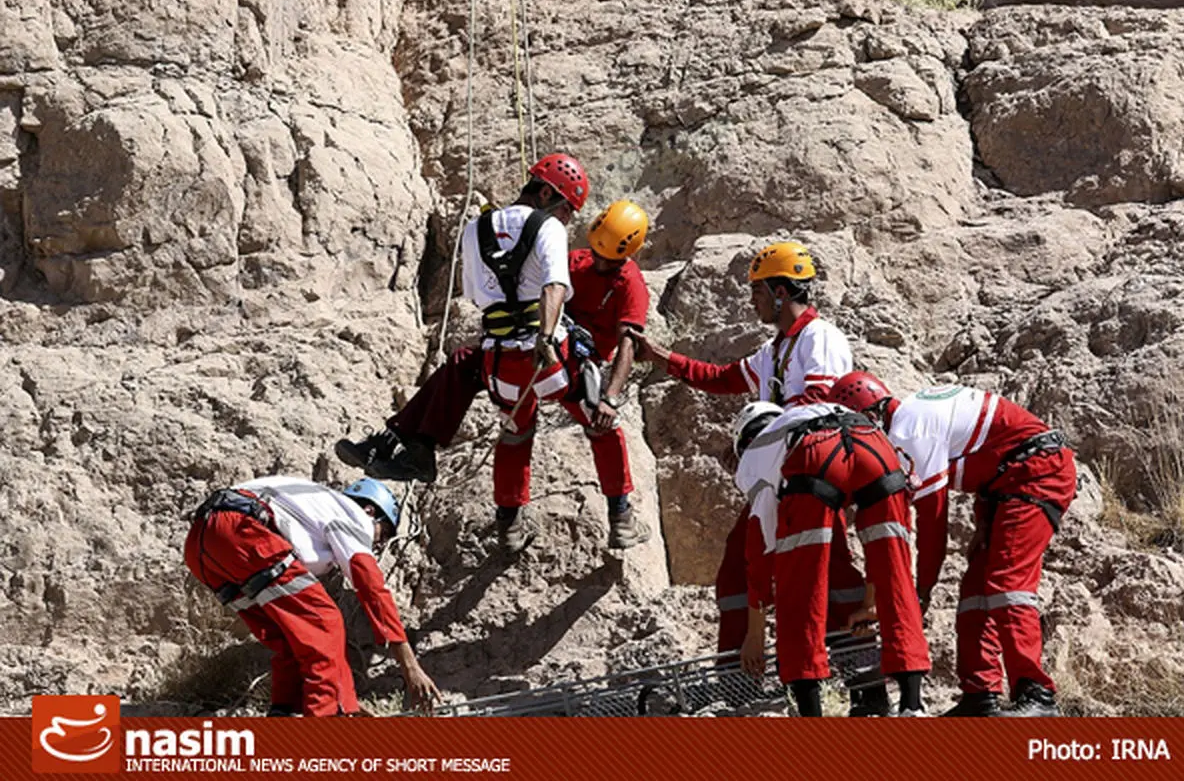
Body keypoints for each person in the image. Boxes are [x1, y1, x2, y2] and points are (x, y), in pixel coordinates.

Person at [335, 165, 651, 552]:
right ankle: (617, 516)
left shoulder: (477, 231)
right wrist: (550, 341)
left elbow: (478, 296)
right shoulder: (565, 242)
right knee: (597, 426)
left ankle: (412, 447)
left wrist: (609, 393)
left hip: (501, 365)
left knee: (495, 405)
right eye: (568, 209)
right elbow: (555, 288)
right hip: (555, 362)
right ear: (549, 195)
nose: (567, 219)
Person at [626, 242, 876, 704]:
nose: (752, 300)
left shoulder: (819, 337)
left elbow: (818, 406)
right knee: (742, 571)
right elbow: (720, 378)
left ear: (782, 292)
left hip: (812, 472)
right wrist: (660, 358)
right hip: (781, 476)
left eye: (758, 291)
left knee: (829, 569)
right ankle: (742, 681)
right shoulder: (776, 349)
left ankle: (864, 679)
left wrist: (758, 438)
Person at [829, 372, 1077, 717]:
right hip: (1005, 483)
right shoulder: (909, 420)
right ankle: (980, 695)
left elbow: (932, 527)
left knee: (1007, 585)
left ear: (868, 418)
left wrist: (921, 594)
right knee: (975, 592)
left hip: (1035, 472)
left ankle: (1037, 695)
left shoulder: (909, 431)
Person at [731, 401, 931, 717]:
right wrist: (868, 603)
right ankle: (912, 704)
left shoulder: (754, 459)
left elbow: (760, 550)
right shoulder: (797, 418)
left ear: (743, 441)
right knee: (895, 569)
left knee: (796, 587)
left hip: (815, 453)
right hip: (874, 442)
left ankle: (812, 715)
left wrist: (754, 634)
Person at [183, 476, 440, 716]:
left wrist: (344, 697)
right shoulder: (351, 514)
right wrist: (410, 667)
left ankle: (285, 722)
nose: (377, 545)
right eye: (382, 535)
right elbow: (372, 588)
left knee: (292, 642)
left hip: (201, 545)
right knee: (325, 622)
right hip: (242, 530)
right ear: (371, 512)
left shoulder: (312, 506)